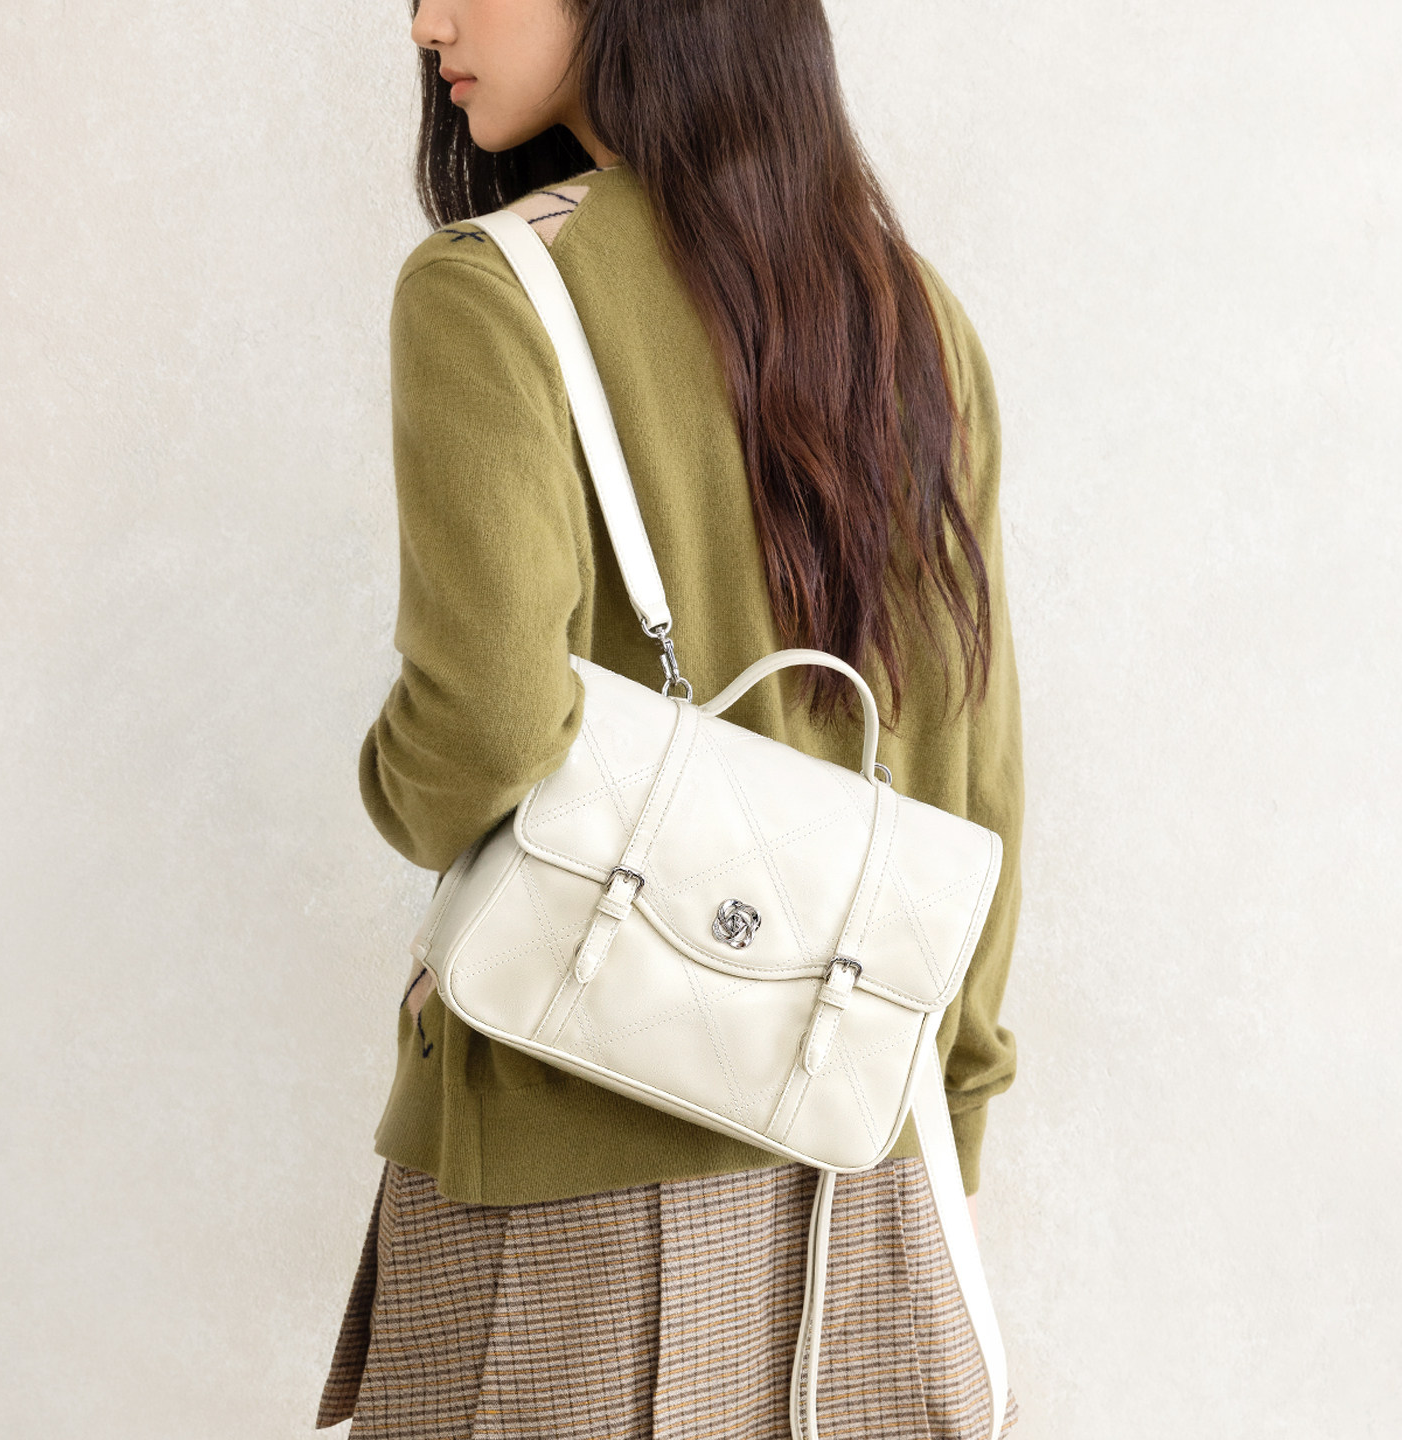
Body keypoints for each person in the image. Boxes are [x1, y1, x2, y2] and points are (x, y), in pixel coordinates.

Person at [316, 0, 1024, 1434]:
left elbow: (482, 721)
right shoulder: (912, 312)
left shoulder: (493, 290)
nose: (425, 22)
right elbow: (969, 768)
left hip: (564, 1187)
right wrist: (946, 1117)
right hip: (862, 1165)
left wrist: (393, 783)